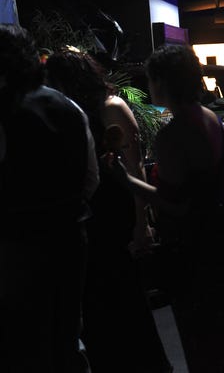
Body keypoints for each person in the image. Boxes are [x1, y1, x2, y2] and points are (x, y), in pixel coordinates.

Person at [111, 43, 224, 373]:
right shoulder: (211, 119)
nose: (149, 85)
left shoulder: (172, 135)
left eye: (151, 78)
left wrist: (125, 180)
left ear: (163, 82)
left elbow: (176, 203)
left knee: (204, 343)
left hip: (195, 250)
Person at [45, 49, 172, 373]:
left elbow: (136, 166)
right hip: (92, 213)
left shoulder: (110, 106)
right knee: (99, 302)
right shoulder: (72, 110)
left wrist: (142, 224)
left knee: (126, 297)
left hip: (117, 207)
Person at [0, 24, 98, 372]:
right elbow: (91, 178)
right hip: (71, 234)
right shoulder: (68, 107)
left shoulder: (6, 110)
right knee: (67, 328)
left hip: (16, 242)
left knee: (20, 337)